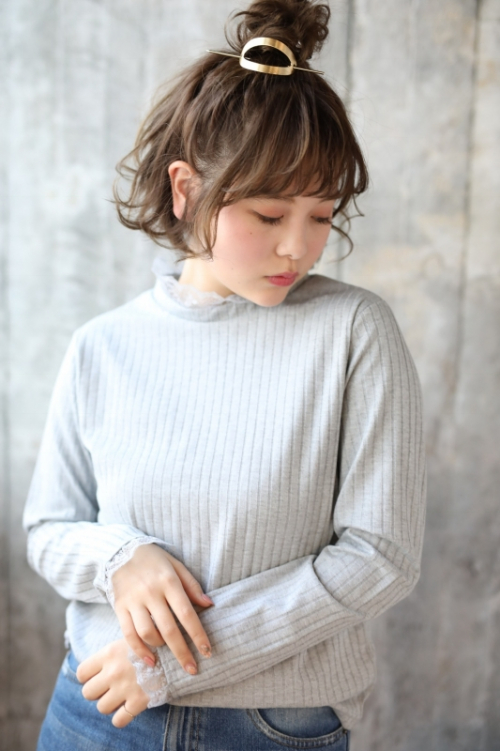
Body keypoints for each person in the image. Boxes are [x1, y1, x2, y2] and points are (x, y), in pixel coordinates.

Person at [23, 0, 427, 749]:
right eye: (270, 215)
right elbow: (48, 530)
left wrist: (169, 666)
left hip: (269, 727)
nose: (299, 246)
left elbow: (381, 559)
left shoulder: (353, 331)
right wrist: (120, 558)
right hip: (96, 710)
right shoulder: (102, 346)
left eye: (321, 214)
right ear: (185, 189)